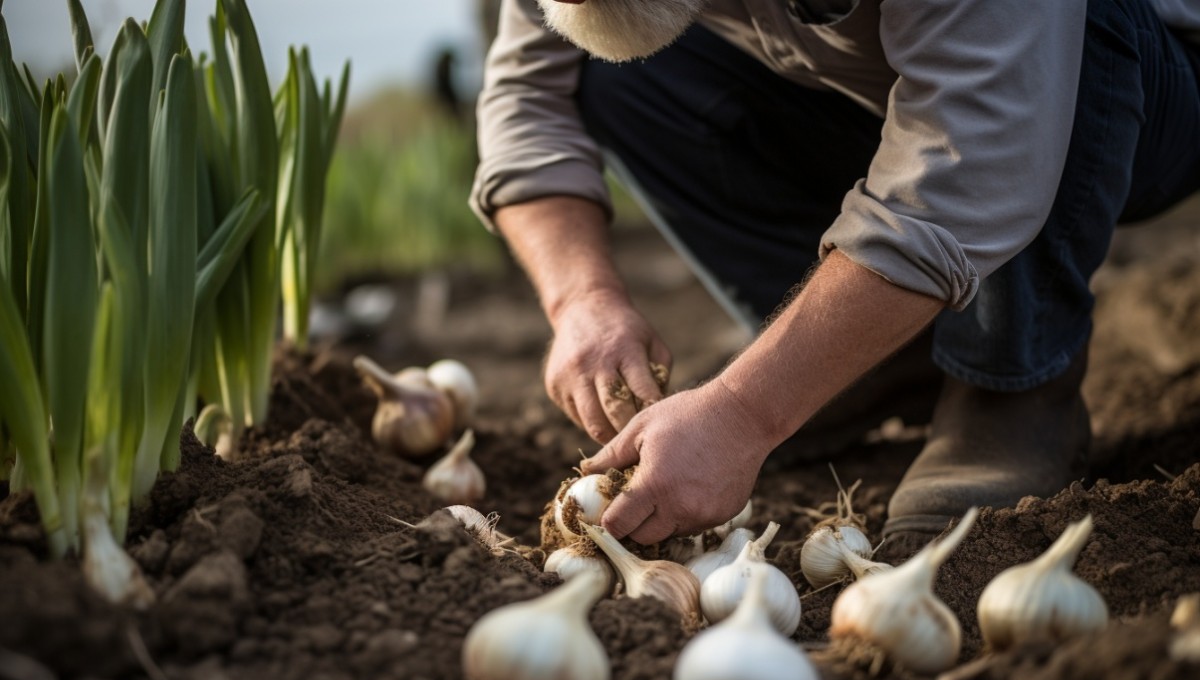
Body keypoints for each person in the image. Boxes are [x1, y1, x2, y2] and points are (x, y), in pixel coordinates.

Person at [469, 0, 1200, 553]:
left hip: (1141, 74)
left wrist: (744, 412)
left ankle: (1010, 380)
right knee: (619, 83)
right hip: (882, 82)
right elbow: (530, 98)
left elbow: (974, 150)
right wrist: (582, 299)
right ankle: (872, 361)